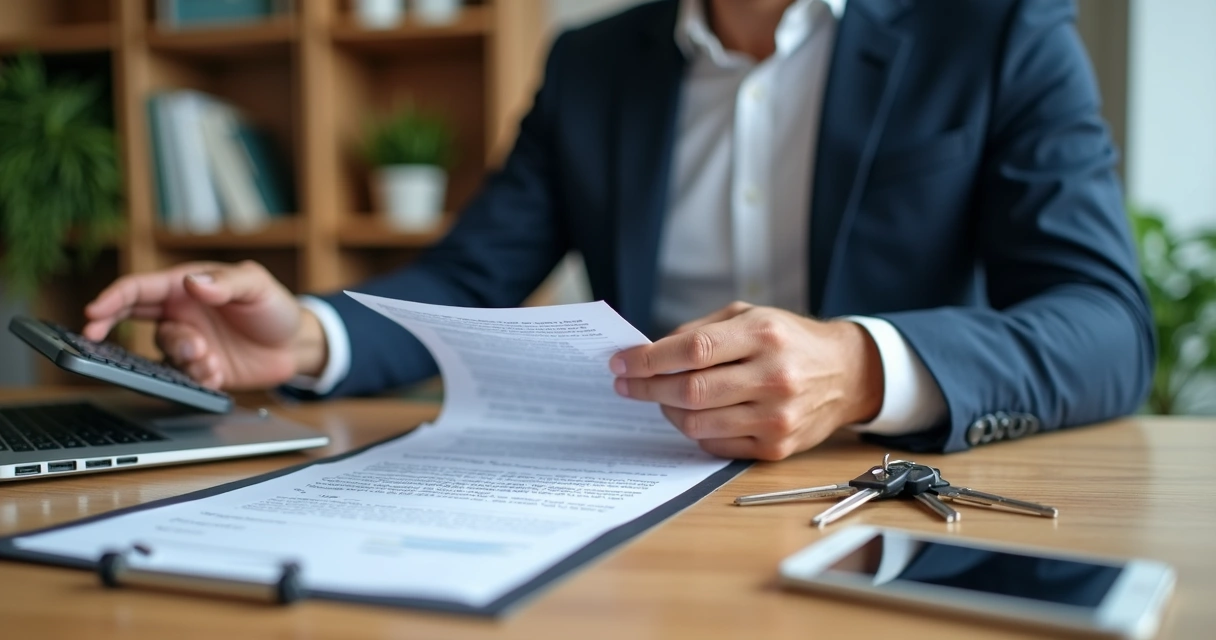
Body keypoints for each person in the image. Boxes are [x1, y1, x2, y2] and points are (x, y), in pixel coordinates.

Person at [82, 0, 1154, 460]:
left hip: (869, 503)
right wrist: (312, 336)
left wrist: (863, 366)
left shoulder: (996, 27)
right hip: (625, 501)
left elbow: (1105, 326)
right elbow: (477, 267)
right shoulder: (592, 62)